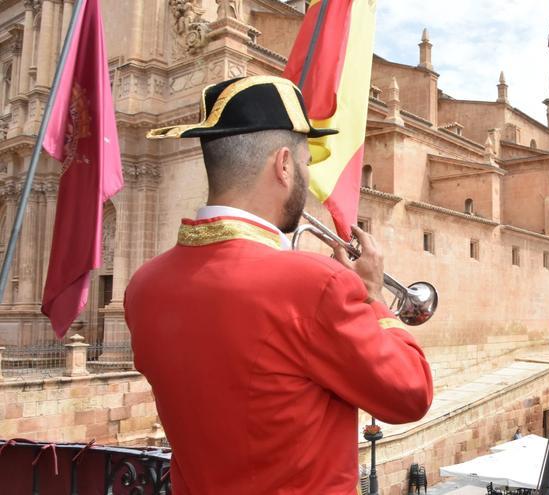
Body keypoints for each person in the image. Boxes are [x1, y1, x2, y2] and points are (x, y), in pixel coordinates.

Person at [125, 76, 434, 494]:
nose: (306, 176)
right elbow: (411, 394)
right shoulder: (316, 285)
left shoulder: (144, 286)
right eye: (306, 162)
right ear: (284, 165)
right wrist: (373, 296)